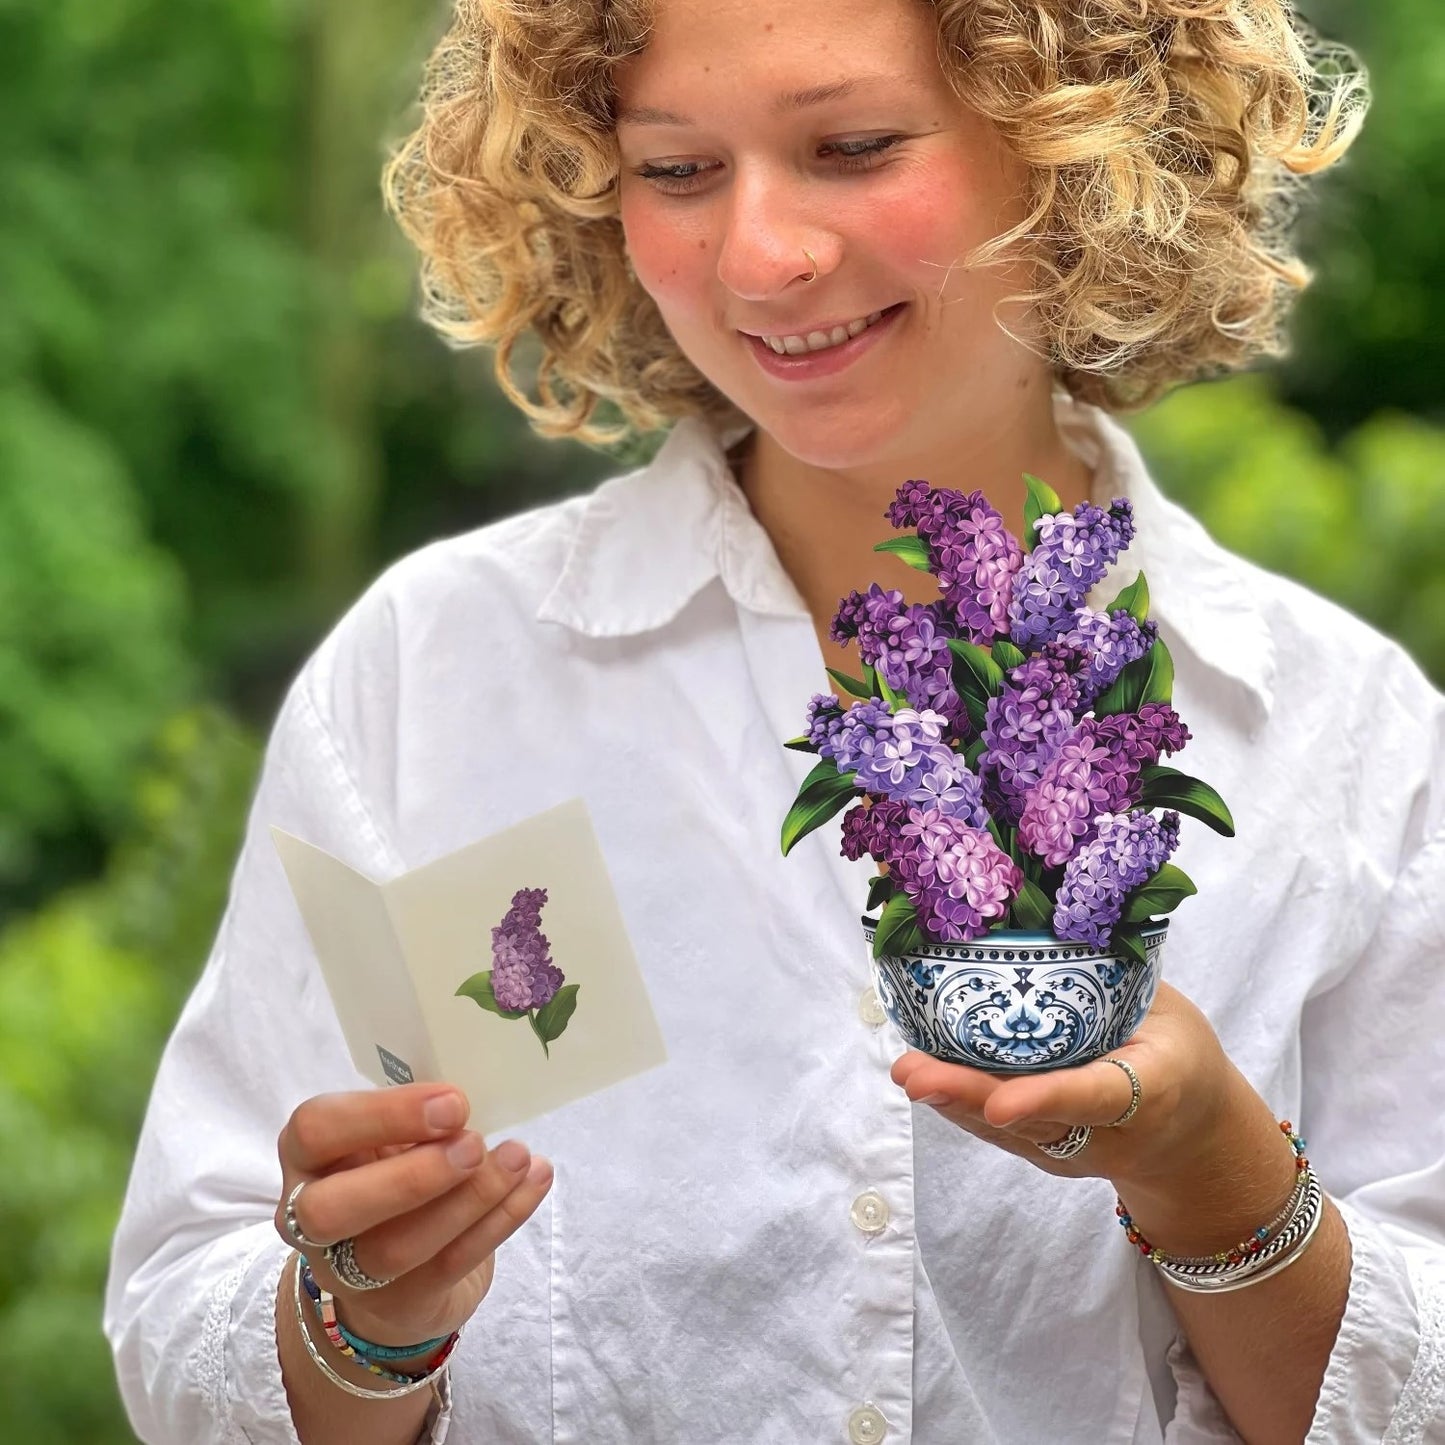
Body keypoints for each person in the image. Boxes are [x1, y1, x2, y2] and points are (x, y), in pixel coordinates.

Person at [103, 1, 1445, 1441]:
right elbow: (189, 1310)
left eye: (852, 146)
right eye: (676, 170)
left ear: (1076, 146)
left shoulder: (1339, 736)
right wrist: (359, 1319)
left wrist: (1219, 1181)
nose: (759, 255)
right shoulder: (434, 678)